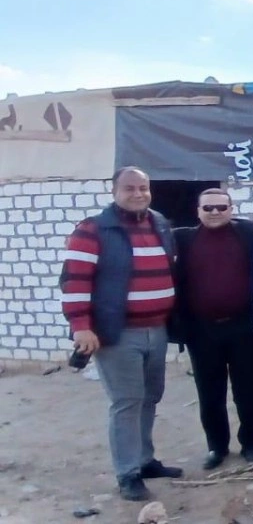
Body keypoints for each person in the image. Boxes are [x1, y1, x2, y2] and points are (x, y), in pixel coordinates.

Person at [59, 167, 182, 501]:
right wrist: (81, 326)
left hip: (157, 329)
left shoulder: (158, 223)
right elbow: (74, 281)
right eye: (130, 188)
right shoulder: (93, 230)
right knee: (127, 401)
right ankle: (127, 473)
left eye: (143, 187)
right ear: (114, 191)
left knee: (150, 397)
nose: (138, 193)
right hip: (118, 333)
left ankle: (144, 460)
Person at [173, 188, 253, 470]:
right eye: (208, 208)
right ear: (197, 211)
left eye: (221, 207)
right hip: (201, 330)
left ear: (231, 209)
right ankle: (217, 447)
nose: (215, 212)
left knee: (249, 390)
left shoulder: (251, 233)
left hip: (243, 327)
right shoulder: (182, 239)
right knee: (210, 393)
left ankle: (251, 444)